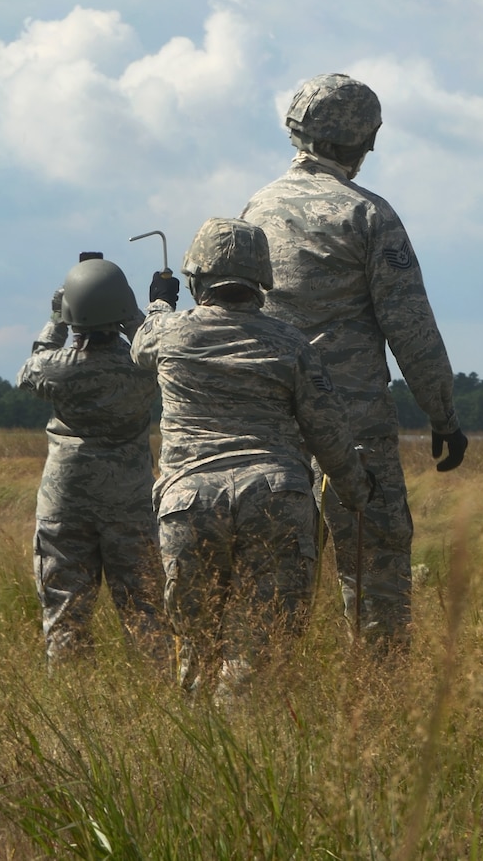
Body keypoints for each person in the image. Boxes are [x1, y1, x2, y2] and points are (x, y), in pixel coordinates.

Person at [240, 73, 464, 650]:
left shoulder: (253, 210)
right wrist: (443, 415)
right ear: (364, 142)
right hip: (354, 426)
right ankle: (379, 701)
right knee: (376, 574)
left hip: (272, 429)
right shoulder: (368, 215)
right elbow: (410, 326)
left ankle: (257, 701)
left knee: (272, 583)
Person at [131, 218, 370, 700]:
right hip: (275, 498)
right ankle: (246, 734)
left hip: (189, 501)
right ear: (263, 279)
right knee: (260, 653)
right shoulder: (291, 343)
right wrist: (356, 490)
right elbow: (328, 431)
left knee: (195, 647)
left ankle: (201, 749)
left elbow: (142, 340)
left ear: (197, 277)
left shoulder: (169, 334)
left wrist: (160, 298)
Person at [16, 254, 165, 663]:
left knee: (65, 613)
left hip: (65, 501)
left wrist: (56, 320)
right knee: (146, 608)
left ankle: (71, 696)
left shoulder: (55, 368)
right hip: (129, 502)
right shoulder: (143, 368)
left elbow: (30, 369)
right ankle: (158, 694)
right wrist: (140, 317)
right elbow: (158, 347)